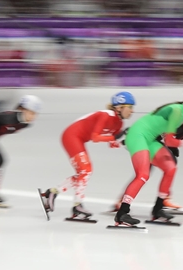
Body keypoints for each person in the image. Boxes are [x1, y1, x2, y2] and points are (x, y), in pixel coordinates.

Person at [112, 85, 183, 228]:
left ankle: (158, 209)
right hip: (138, 135)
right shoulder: (177, 111)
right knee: (143, 175)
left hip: (150, 138)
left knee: (170, 168)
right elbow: (170, 141)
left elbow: (170, 135)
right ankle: (122, 213)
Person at [39, 92, 134, 222]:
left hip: (79, 139)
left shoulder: (119, 123)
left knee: (84, 172)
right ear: (119, 107)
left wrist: (125, 140)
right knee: (86, 170)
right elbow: (95, 137)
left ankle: (53, 192)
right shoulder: (105, 115)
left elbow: (112, 143)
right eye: (130, 107)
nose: (132, 111)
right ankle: (77, 205)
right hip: (71, 136)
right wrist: (115, 137)